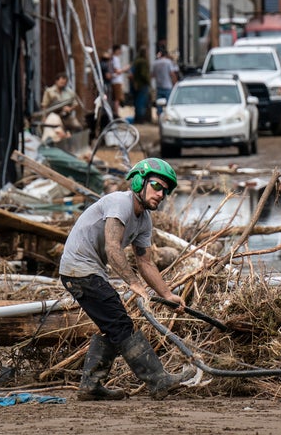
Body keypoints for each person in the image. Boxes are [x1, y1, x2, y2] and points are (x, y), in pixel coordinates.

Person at [59, 158, 195, 401]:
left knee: (112, 325)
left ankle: (91, 386)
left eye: (165, 190)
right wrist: (134, 284)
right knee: (121, 324)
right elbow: (113, 248)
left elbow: (145, 262)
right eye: (156, 186)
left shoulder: (144, 220)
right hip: (78, 269)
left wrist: (166, 294)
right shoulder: (119, 203)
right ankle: (157, 380)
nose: (161, 194)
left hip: (90, 272)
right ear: (139, 182)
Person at [131, 48, 152, 124]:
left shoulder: (136, 61)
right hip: (142, 85)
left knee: (137, 102)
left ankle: (137, 118)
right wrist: (148, 81)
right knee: (141, 102)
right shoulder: (143, 62)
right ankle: (140, 119)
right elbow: (144, 74)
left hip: (136, 85)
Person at [110, 45, 128, 117]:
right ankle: (116, 114)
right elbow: (117, 71)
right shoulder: (115, 59)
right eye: (119, 50)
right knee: (117, 99)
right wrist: (125, 69)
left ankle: (116, 113)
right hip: (116, 81)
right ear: (116, 50)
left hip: (116, 81)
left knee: (116, 98)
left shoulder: (114, 59)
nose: (120, 52)